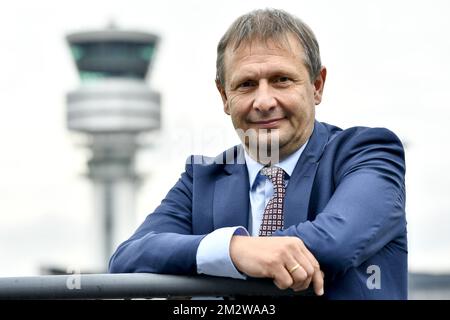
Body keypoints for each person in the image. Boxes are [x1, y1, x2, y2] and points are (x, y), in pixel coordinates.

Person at [108, 8, 407, 300]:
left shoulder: (368, 154)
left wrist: (216, 257)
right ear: (225, 97)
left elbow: (335, 243)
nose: (263, 102)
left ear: (317, 86)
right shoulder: (201, 180)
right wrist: (235, 249)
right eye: (247, 84)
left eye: (282, 80)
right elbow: (129, 258)